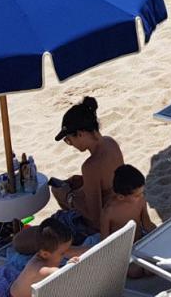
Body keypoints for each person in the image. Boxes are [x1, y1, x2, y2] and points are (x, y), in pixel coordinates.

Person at [51, 97, 124, 240]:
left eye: (68, 140)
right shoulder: (110, 143)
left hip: (106, 225)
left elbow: (96, 219)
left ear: (80, 134)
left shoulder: (91, 166)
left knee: (57, 192)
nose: (70, 144)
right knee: (74, 185)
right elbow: (108, 182)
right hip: (121, 208)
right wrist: (84, 183)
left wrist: (69, 197)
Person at [9, 219, 77, 297]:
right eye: (62, 253)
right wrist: (68, 266)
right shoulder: (41, 269)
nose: (66, 254)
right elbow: (60, 274)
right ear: (45, 254)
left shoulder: (45, 254)